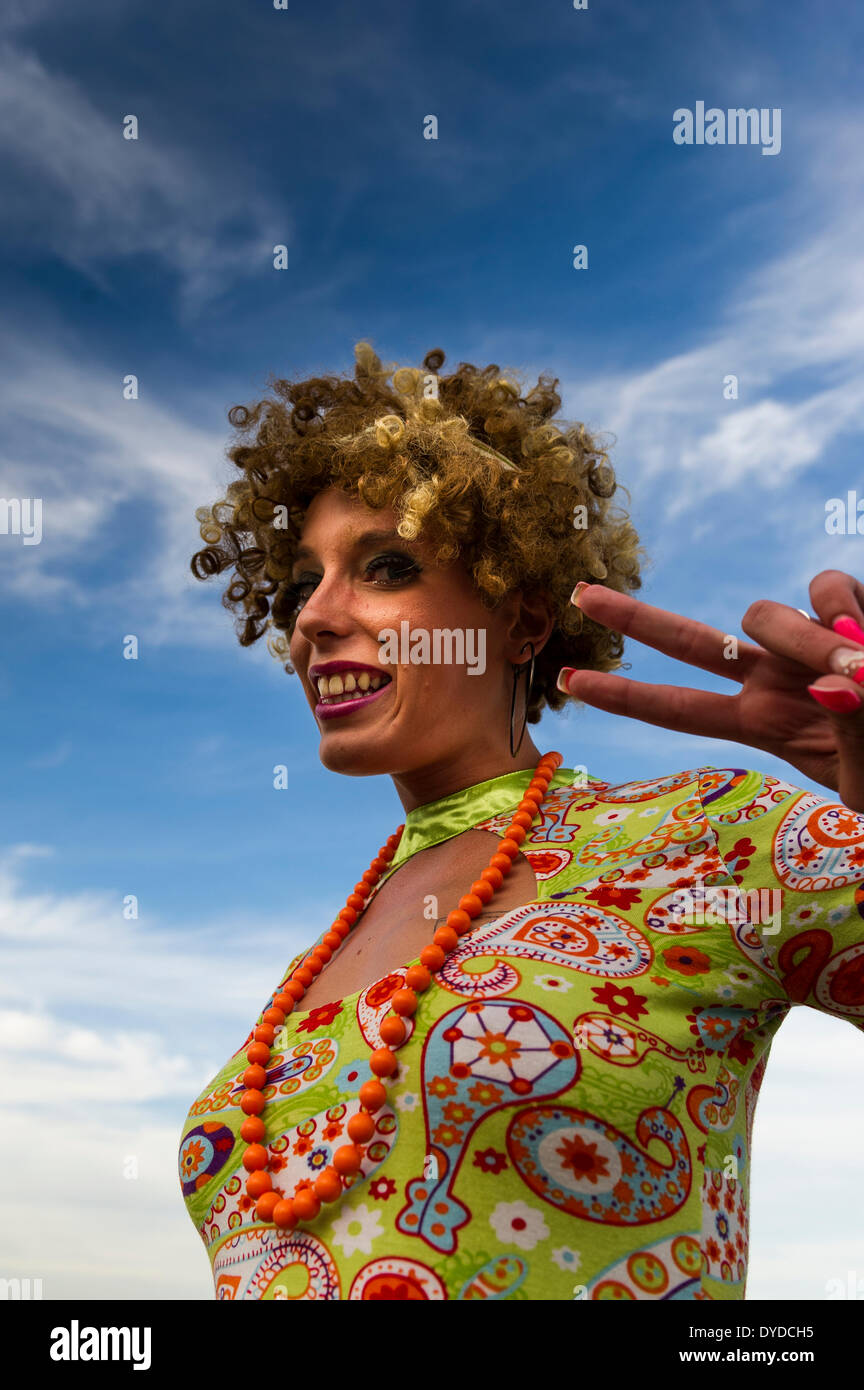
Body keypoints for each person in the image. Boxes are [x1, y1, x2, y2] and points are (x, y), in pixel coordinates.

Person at [178, 341, 864, 1301]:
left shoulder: (707, 841)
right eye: (301, 586)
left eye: (383, 566)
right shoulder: (309, 972)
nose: (316, 618)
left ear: (523, 622)